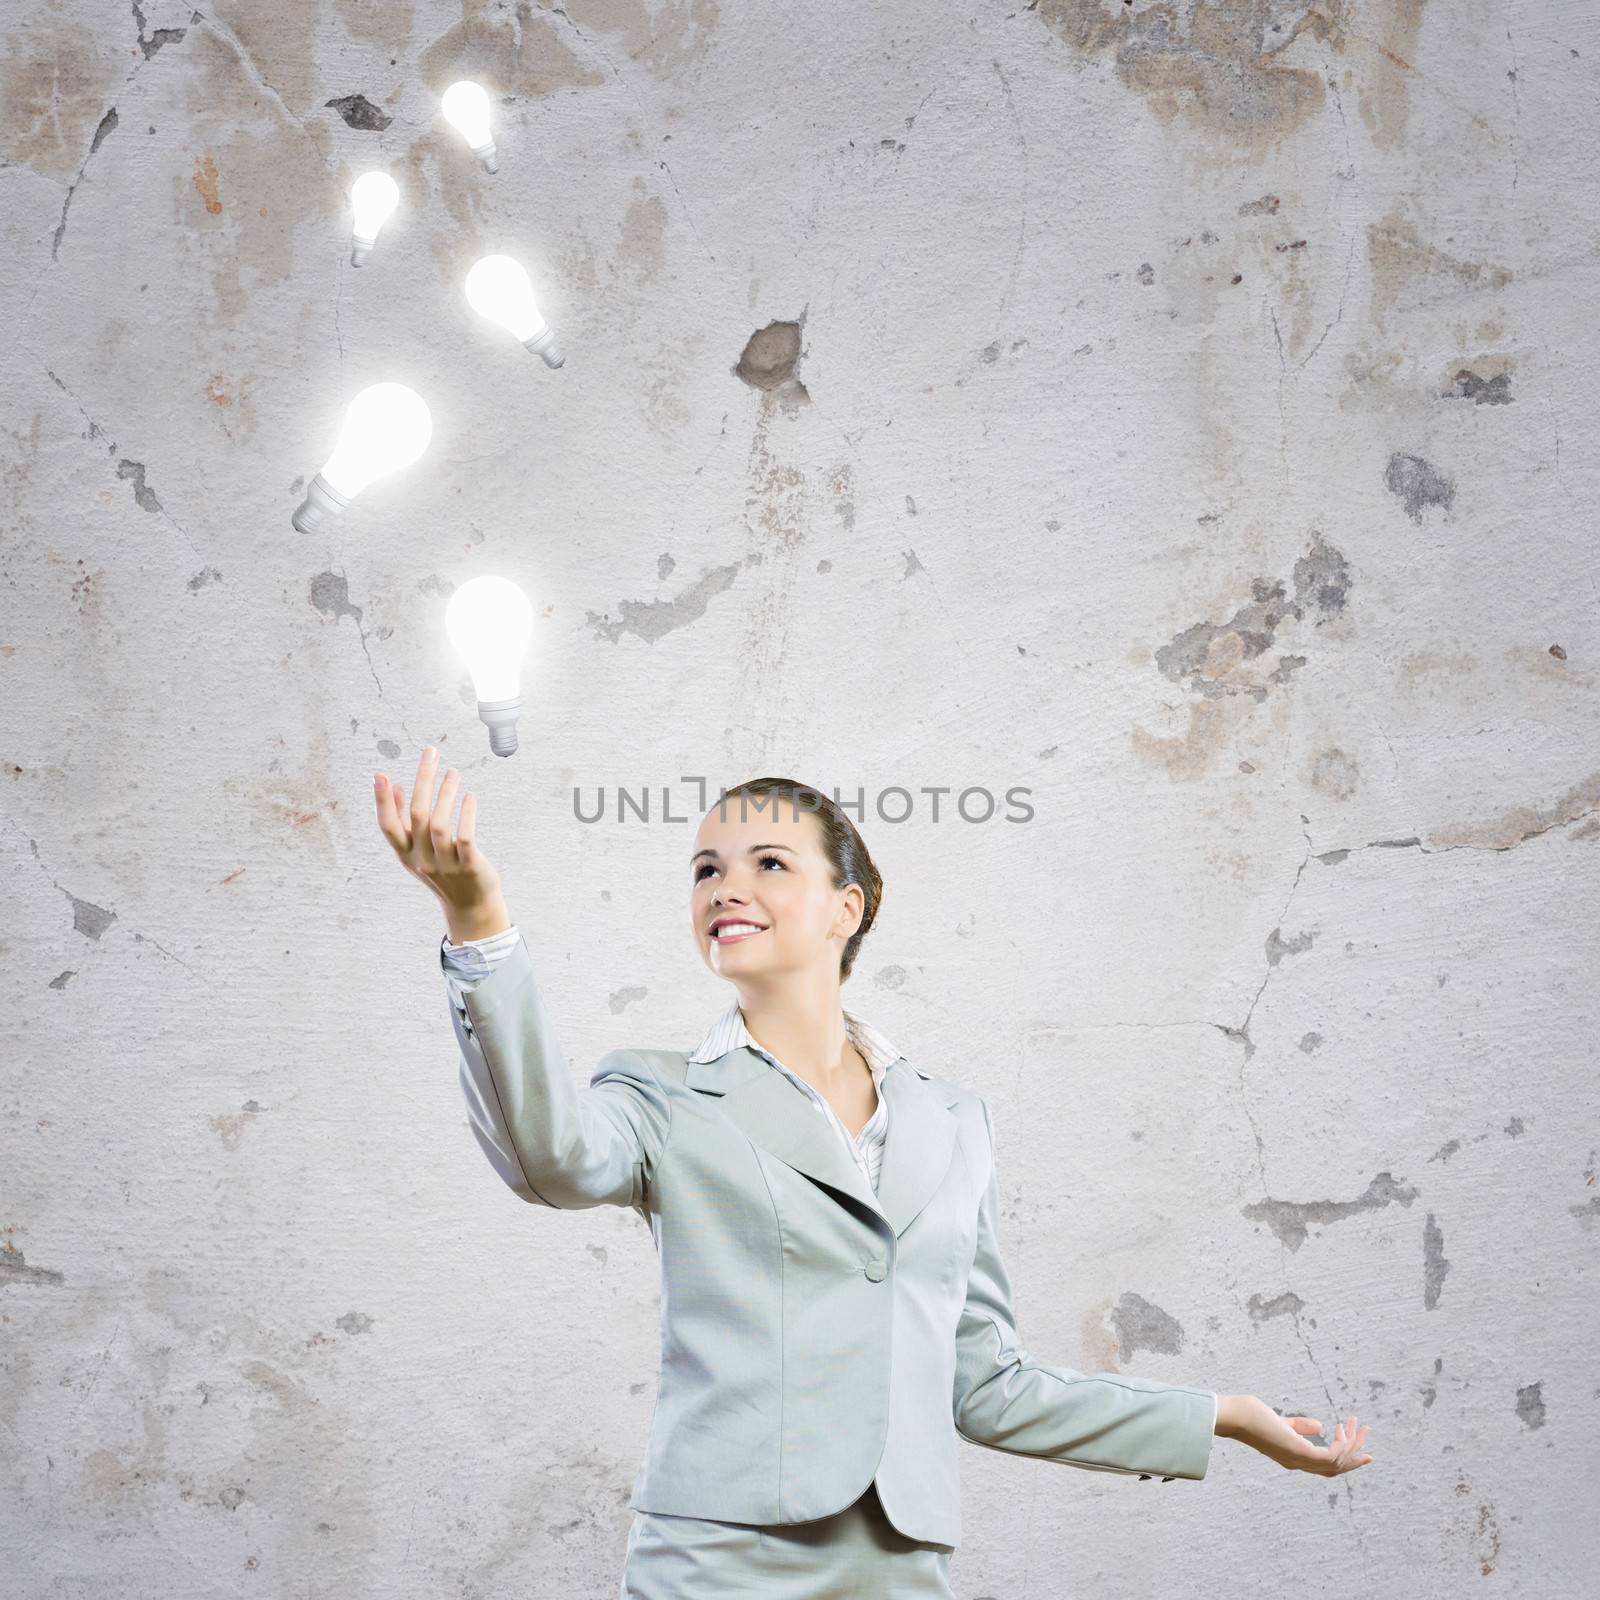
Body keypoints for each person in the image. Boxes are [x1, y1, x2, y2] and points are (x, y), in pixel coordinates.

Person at [374, 750, 1374, 1596]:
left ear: (844, 906)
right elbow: (549, 1160)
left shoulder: (951, 1119)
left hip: (899, 1566)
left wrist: (1221, 1416)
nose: (725, 885)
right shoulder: (660, 1092)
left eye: (768, 861)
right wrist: (477, 920)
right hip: (715, 1562)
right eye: (705, 868)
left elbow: (986, 1384)